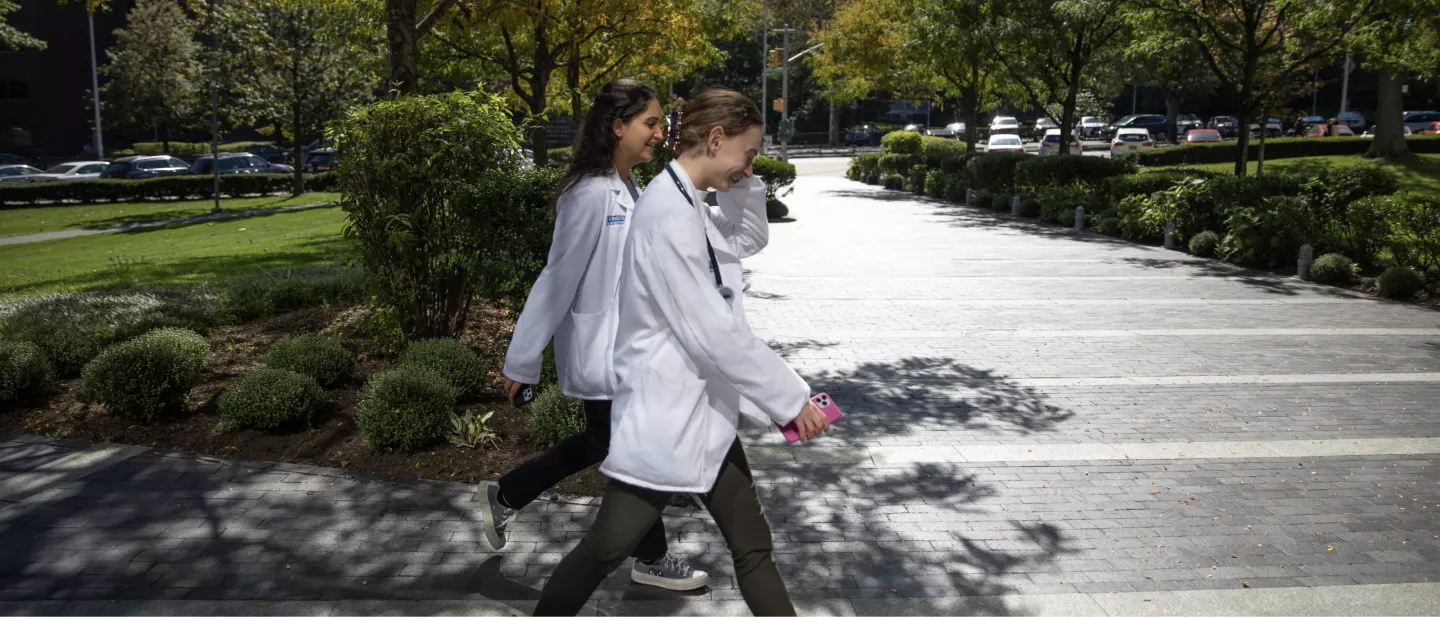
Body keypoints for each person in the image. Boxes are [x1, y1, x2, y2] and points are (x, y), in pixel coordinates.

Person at [533, 89, 833, 616]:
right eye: (748, 151)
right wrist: (790, 400)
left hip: (704, 418)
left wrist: (742, 178)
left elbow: (746, 240)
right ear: (716, 138)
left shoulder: (686, 199)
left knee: (754, 549)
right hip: (666, 421)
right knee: (604, 548)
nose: (750, 162)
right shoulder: (667, 214)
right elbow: (713, 333)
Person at [477, 78, 709, 592]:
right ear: (617, 125)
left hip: (628, 351)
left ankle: (507, 496)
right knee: (630, 450)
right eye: (650, 122)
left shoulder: (629, 188)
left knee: (605, 444)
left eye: (659, 123)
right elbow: (556, 280)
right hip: (604, 351)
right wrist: (522, 361)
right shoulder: (588, 195)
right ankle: (650, 559)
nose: (658, 132)